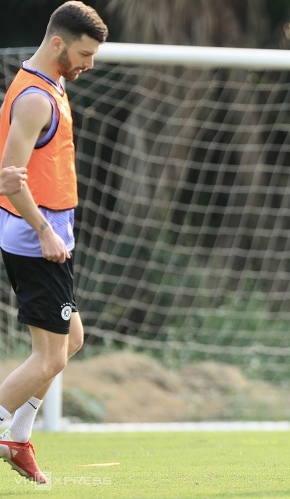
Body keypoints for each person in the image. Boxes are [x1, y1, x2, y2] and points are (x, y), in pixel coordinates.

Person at [0, 1, 108, 484]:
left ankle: (17, 438)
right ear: (58, 43)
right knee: (50, 356)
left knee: (73, 341)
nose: (89, 64)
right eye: (84, 54)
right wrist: (44, 231)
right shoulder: (35, 99)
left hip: (49, 238)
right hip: (34, 239)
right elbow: (8, 177)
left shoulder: (54, 83)